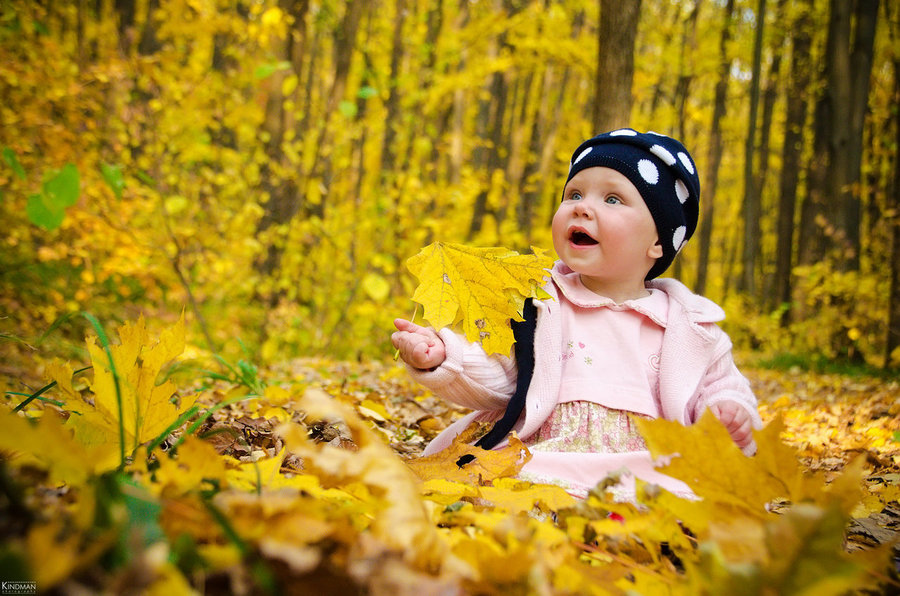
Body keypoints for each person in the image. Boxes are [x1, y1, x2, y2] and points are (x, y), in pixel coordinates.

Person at [391, 129, 762, 500]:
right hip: (544, 451)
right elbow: (500, 370)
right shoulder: (541, 301)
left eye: (613, 199)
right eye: (574, 194)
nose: (582, 207)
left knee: (678, 496)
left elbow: (721, 385)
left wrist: (729, 411)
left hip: (648, 461)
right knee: (504, 481)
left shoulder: (689, 326)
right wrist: (444, 356)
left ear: (658, 242)